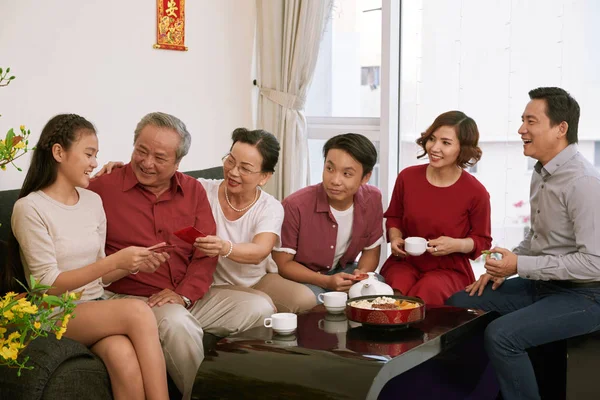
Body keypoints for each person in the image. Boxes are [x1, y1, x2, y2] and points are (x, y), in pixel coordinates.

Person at [88, 112, 274, 400]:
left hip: (188, 296)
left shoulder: (193, 190)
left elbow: (204, 255)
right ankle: (198, 394)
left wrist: (184, 295)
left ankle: (242, 388)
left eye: (160, 158)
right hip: (137, 301)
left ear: (177, 163)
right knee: (177, 323)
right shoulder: (102, 189)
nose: (147, 163)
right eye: (141, 151)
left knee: (261, 308)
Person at [446, 87, 600, 400]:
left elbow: (594, 262)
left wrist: (520, 266)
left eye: (530, 121)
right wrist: (506, 266)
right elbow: (538, 236)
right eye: (521, 121)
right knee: (458, 304)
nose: (521, 130)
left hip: (586, 295)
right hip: (544, 285)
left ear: (560, 129)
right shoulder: (542, 173)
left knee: (502, 336)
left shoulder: (584, 182)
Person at [7, 114, 170, 400]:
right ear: (59, 152)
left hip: (95, 307)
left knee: (123, 357)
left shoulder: (93, 201)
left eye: (96, 155)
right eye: (88, 154)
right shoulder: (29, 209)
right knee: (138, 311)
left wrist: (133, 265)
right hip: (55, 312)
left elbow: (102, 275)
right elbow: (46, 285)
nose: (95, 162)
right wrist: (115, 260)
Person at [194, 128, 313, 313]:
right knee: (261, 305)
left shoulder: (270, 207)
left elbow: (259, 251)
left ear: (264, 177)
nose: (233, 172)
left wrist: (224, 247)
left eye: (245, 169)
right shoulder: (201, 190)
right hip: (214, 283)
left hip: (258, 280)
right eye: (231, 161)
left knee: (305, 300)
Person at [380, 111, 492, 305]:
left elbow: (482, 242)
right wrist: (396, 237)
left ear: (462, 149)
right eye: (432, 139)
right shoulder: (407, 177)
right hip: (406, 261)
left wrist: (455, 244)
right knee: (397, 289)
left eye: (446, 143)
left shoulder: (476, 192)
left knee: (424, 293)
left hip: (449, 269)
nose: (434, 147)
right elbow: (394, 216)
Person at [272, 133, 384, 309]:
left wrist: (360, 276)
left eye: (347, 174)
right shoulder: (295, 205)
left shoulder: (373, 198)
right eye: (329, 169)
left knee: (378, 290)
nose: (335, 180)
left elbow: (371, 251)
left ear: (365, 177)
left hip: (342, 271)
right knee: (322, 305)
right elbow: (283, 264)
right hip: (301, 277)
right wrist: (326, 281)